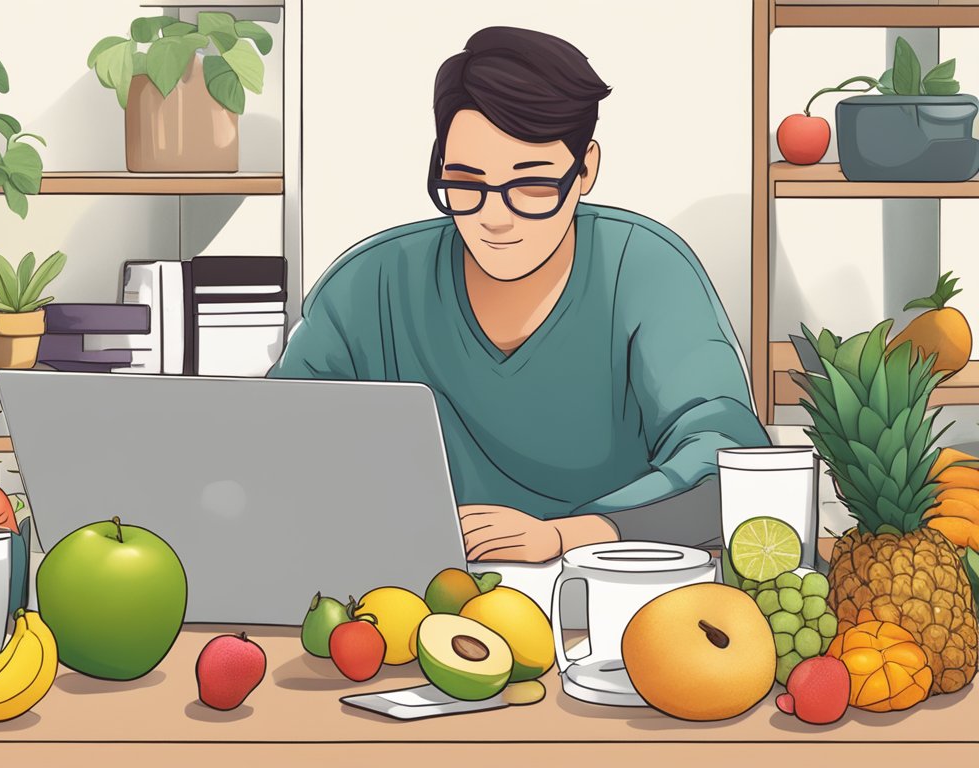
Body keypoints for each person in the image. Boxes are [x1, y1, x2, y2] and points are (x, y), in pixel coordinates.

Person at [268, 26, 771, 563]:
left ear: (586, 171)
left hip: (610, 595)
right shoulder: (370, 284)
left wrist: (565, 535)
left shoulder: (644, 270)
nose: (494, 218)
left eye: (531, 187)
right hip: (403, 596)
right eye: (465, 184)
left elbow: (728, 459)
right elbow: (276, 440)